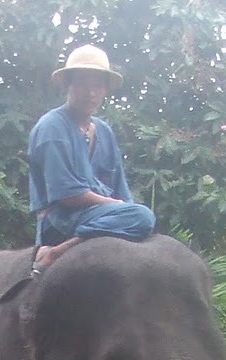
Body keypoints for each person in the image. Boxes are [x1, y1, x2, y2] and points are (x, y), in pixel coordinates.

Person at [26, 44, 156, 275]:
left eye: (97, 85)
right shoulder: (52, 128)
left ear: (106, 89)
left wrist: (124, 206)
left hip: (101, 216)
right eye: (83, 84)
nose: (91, 93)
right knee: (143, 217)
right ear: (68, 84)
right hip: (62, 220)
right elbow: (68, 195)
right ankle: (58, 251)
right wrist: (119, 207)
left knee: (140, 217)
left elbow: (120, 188)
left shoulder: (104, 131)